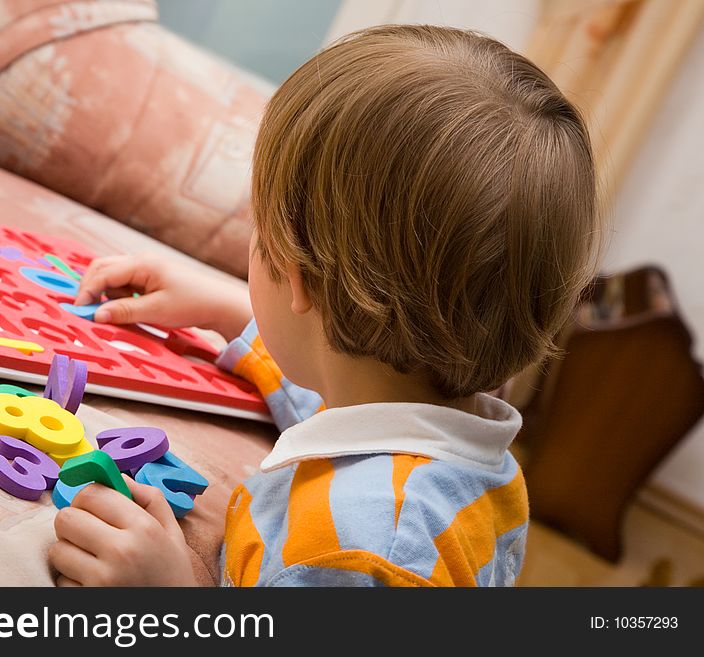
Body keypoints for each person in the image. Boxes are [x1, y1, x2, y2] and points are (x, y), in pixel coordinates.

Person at [47, 24, 600, 587]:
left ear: (296, 282)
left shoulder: (368, 553)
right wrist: (230, 312)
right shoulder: (442, 432)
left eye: (262, 245)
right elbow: (338, 397)